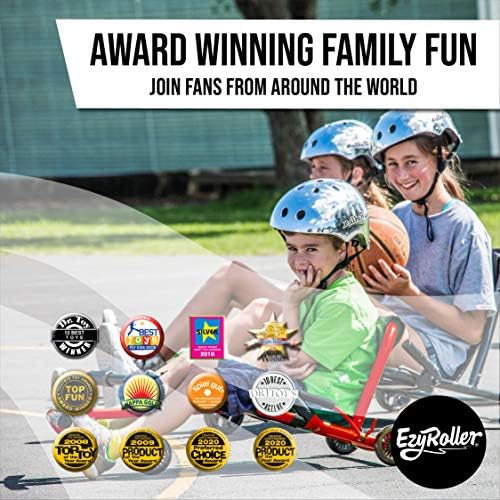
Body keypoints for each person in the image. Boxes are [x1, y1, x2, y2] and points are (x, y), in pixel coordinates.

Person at [49, 179, 381, 479]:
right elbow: (279, 352)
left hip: (315, 400)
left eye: (311, 249)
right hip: (292, 384)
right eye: (292, 248)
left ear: (346, 248)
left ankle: (113, 445)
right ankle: (109, 421)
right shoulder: (320, 290)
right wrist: (248, 356)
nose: (299, 260)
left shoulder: (344, 305)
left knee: (201, 377)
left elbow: (292, 365)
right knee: (194, 356)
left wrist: (288, 310)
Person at [123, 119, 392, 372]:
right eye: (312, 168)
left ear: (356, 173)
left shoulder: (372, 225)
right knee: (238, 283)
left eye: (323, 168)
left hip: (334, 317)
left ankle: (161, 364)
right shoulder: (330, 215)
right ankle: (171, 362)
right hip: (316, 302)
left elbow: (365, 300)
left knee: (237, 284)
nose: (313, 176)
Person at [363, 110, 496, 377]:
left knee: (336, 313)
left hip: (432, 351)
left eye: (411, 161)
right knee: (284, 305)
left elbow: (472, 330)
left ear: (441, 157)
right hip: (393, 329)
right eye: (392, 164)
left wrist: (408, 293)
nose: (402, 175)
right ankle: (276, 378)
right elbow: (378, 296)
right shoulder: (397, 217)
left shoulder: (464, 227)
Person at [301, 119, 390, 208]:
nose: (312, 176)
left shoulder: (372, 215)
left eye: (323, 167)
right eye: (313, 166)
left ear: (356, 175)